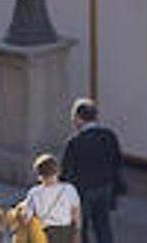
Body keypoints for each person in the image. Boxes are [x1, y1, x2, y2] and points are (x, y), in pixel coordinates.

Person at [58, 99, 127, 243]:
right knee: (103, 226)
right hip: (105, 187)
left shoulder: (74, 142)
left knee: (80, 229)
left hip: (83, 192)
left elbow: (65, 173)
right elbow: (117, 162)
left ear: (78, 118)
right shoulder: (109, 136)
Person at [16, 153, 81, 243]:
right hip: (65, 233)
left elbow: (26, 218)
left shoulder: (34, 192)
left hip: (42, 233)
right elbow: (76, 214)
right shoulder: (69, 189)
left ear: (39, 174)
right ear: (57, 171)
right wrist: (76, 233)